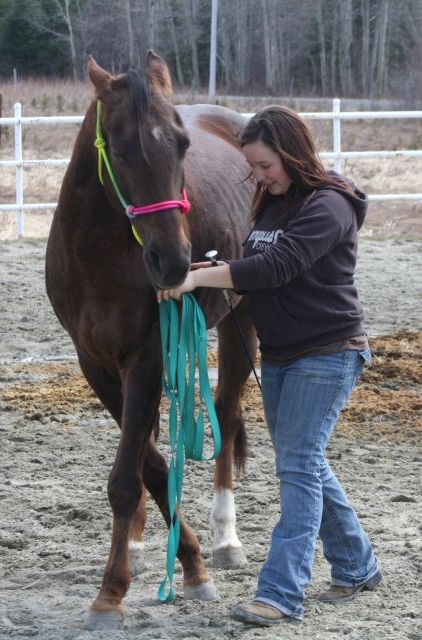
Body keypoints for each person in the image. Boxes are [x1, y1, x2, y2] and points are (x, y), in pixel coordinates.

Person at [157, 105, 382, 626]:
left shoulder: (331, 204)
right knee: (308, 463)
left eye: (263, 166)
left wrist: (196, 281)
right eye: (252, 168)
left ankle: (281, 593)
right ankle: (357, 565)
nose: (256, 177)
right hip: (282, 355)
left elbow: (276, 266)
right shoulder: (276, 204)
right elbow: (250, 264)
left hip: (327, 354)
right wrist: (210, 270)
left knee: (298, 468)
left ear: (291, 153)